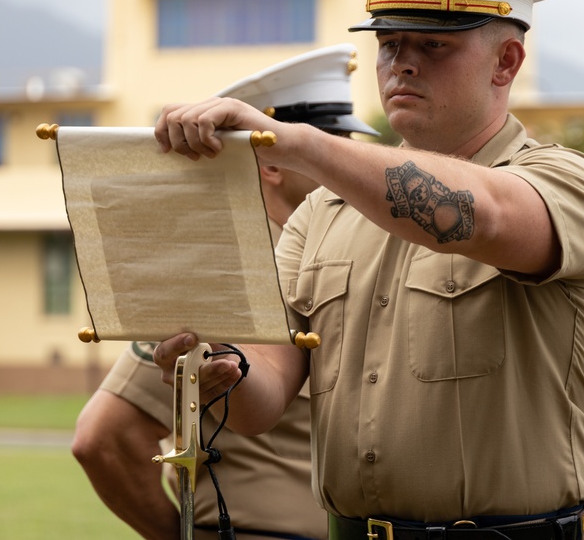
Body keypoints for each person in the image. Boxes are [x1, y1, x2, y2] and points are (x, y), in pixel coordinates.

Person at [152, 0, 584, 539]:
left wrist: (292, 141)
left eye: (434, 45)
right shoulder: (323, 211)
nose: (402, 62)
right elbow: (264, 399)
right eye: (389, 43)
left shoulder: (568, 183)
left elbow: (477, 214)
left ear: (506, 62)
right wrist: (219, 369)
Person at [71, 44, 380, 540]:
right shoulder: (217, 274)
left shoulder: (337, 256)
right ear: (272, 163)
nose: (344, 159)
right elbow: (103, 438)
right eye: (324, 143)